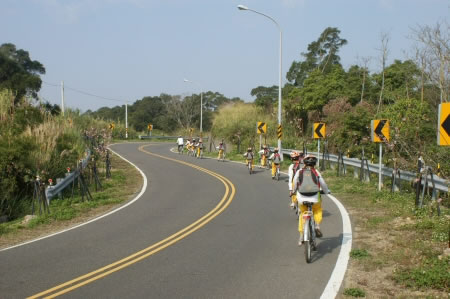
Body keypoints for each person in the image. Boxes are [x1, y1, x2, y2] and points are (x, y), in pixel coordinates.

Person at [292, 154, 329, 246]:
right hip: (315, 198)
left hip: (301, 198)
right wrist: (326, 191)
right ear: (314, 164)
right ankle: (316, 226)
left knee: (302, 214)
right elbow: (323, 184)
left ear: (304, 163)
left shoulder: (299, 171)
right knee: (317, 210)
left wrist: (293, 191)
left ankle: (301, 235)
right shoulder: (316, 172)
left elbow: (295, 183)